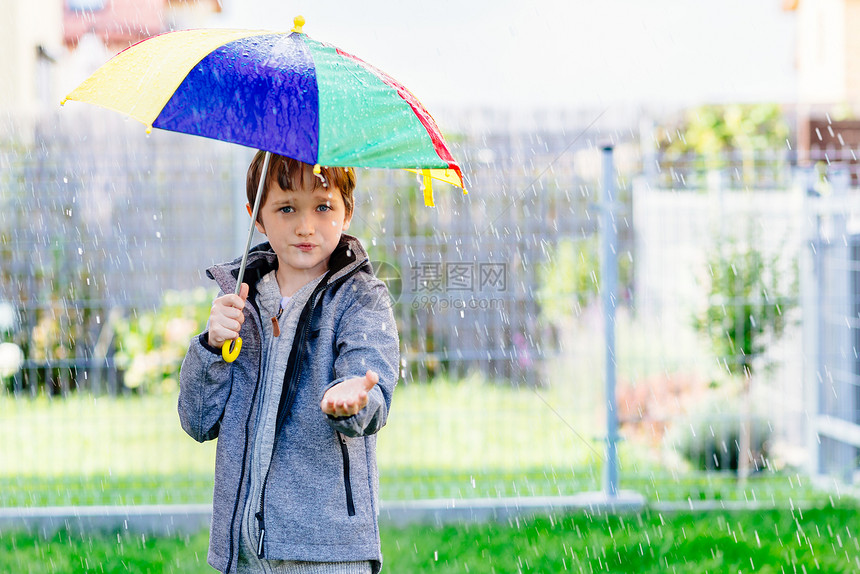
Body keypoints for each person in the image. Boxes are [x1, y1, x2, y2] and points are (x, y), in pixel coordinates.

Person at [178, 150, 400, 574]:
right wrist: (210, 345)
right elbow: (197, 419)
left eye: (323, 206)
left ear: (347, 211)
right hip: (242, 552)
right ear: (257, 218)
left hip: (328, 552)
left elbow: (370, 386)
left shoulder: (361, 299)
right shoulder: (239, 305)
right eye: (286, 208)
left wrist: (353, 394)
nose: (305, 226)